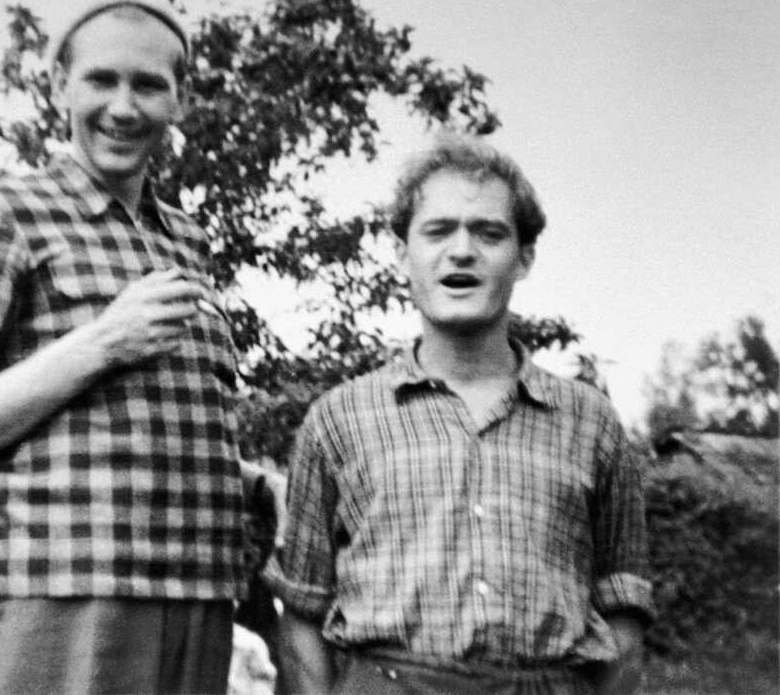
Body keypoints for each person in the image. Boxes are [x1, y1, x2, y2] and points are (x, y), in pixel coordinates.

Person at [0, 0, 276, 694]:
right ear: (59, 87)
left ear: (180, 100)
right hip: (57, 593)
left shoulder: (185, 241)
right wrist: (102, 341)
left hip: (196, 598)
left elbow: (116, 427)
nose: (124, 106)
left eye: (149, 84)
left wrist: (243, 479)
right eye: (102, 79)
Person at [264, 133, 654, 694]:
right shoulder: (339, 419)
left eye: (489, 233)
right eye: (438, 230)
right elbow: (302, 612)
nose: (462, 250)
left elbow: (623, 607)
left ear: (523, 258)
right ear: (403, 254)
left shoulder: (591, 423)